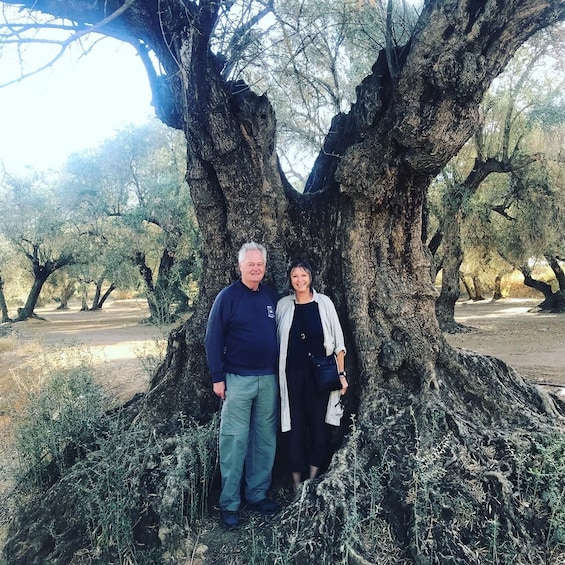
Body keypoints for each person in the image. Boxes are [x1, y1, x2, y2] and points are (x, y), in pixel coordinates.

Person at [205, 242, 280, 529]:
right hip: (236, 380)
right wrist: (217, 377)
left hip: (269, 379)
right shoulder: (227, 297)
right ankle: (230, 503)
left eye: (260, 264)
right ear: (241, 266)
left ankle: (257, 494)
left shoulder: (271, 297)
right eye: (251, 264)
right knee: (234, 440)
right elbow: (213, 338)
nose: (256, 268)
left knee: (265, 440)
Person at [276, 259, 347, 492]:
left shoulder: (324, 303)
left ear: (311, 277)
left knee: (318, 426)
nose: (300, 280)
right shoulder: (284, 305)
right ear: (290, 279)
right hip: (292, 377)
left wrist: (341, 374)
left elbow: (338, 343)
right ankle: (296, 482)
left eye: (303, 275)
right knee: (294, 427)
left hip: (320, 377)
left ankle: (314, 477)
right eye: (295, 276)